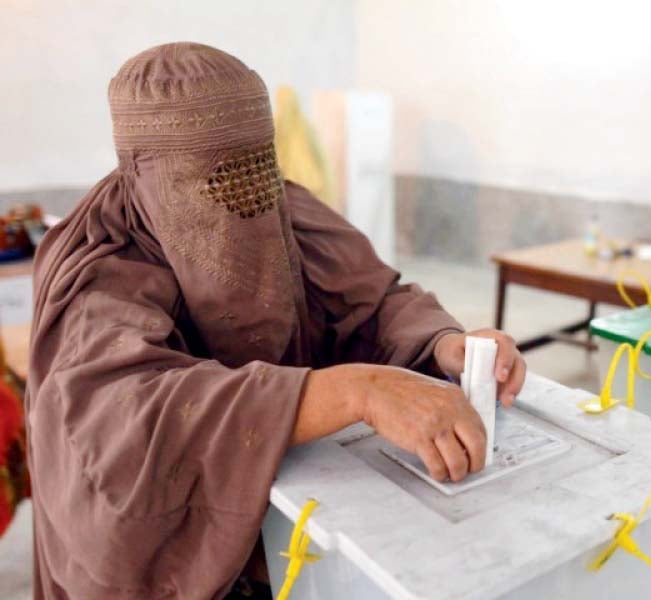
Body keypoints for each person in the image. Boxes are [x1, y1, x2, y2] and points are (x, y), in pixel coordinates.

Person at [25, 43, 527, 599]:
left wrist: (445, 343)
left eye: (256, 168)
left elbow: (372, 301)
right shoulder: (104, 264)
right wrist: (354, 391)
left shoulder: (281, 208)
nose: (244, 203)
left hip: (296, 517)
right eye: (217, 177)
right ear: (146, 169)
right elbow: (128, 419)